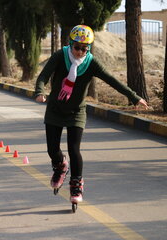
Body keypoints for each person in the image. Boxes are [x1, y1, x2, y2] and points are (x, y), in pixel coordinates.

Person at [34, 25, 148, 208]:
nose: (80, 52)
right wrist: (39, 91)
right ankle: (60, 166)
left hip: (77, 112)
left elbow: (112, 80)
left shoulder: (91, 63)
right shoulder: (60, 56)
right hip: (55, 109)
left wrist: (134, 97)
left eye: (84, 48)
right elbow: (43, 76)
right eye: (77, 47)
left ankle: (76, 185)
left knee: (74, 149)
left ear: (89, 48)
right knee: (52, 149)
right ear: (70, 44)